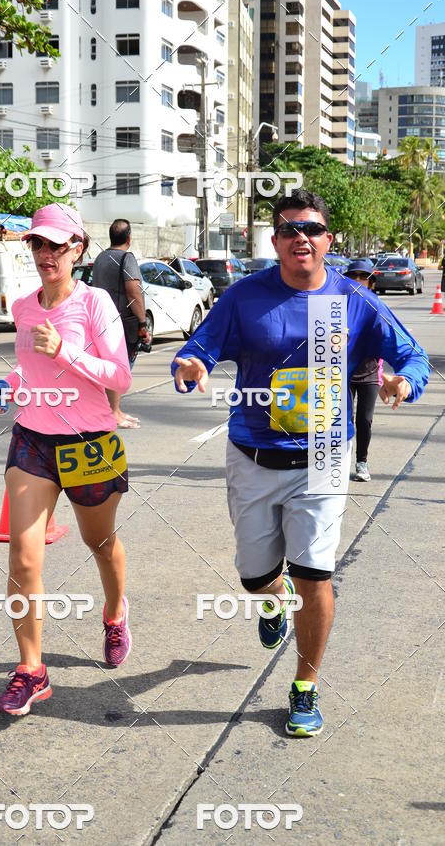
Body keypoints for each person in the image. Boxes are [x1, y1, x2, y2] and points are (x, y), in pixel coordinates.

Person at [172, 189, 430, 738]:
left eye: (311, 229)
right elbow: (200, 346)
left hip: (322, 456)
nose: (300, 238)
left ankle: (305, 686)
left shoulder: (353, 301)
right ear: (275, 241)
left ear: (327, 239)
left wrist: (404, 380)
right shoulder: (244, 297)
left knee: (316, 575)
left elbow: (413, 354)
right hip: (252, 454)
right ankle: (272, 599)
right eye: (289, 230)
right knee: (254, 576)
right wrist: (190, 363)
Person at [0, 203, 133, 716]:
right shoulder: (25, 307)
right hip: (33, 439)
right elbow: (31, 372)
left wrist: (64, 353)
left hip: (90, 441)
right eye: (37, 244)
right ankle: (32, 670)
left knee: (100, 541)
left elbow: (120, 378)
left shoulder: (96, 306)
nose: (46, 253)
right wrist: (8, 385)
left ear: (78, 249)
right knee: (24, 557)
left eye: (57, 245)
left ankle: (115, 614)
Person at [92, 219, 151, 429]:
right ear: (129, 238)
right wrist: (143, 323)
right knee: (120, 366)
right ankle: (113, 413)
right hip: (122, 323)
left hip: (99, 321)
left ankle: (111, 410)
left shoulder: (100, 257)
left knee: (107, 366)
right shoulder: (127, 257)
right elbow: (133, 290)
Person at [345, 259, 382, 482]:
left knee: (364, 420)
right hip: (344, 374)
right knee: (343, 419)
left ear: (371, 283)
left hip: (370, 374)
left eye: (363, 277)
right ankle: (339, 462)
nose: (358, 281)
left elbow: (389, 341)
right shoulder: (337, 306)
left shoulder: (378, 306)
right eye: (353, 276)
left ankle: (362, 462)